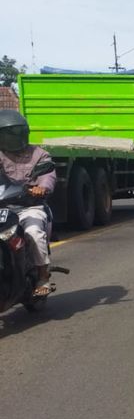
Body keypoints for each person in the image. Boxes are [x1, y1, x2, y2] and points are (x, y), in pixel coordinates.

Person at [0, 109, 57, 297]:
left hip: (30, 206)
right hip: (4, 208)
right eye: (9, 133)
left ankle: (42, 276)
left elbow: (48, 175)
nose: (14, 137)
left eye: (17, 132)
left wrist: (42, 187)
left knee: (34, 233)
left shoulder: (39, 154)